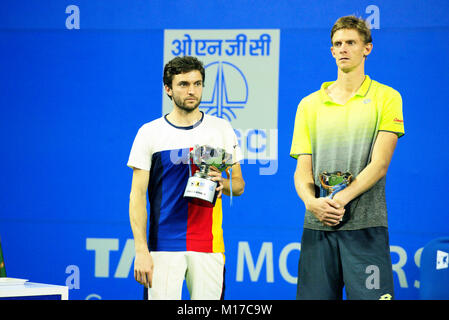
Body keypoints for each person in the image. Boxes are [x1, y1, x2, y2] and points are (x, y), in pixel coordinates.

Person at [290, 16, 405, 300]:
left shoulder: (388, 98)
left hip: (366, 227)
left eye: (351, 43)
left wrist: (339, 200)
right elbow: (303, 170)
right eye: (337, 44)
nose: (343, 49)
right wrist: (312, 203)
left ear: (367, 48)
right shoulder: (309, 105)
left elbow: (379, 164)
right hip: (318, 225)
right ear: (331, 51)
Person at [127, 56, 245, 300]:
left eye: (197, 83)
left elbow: (239, 184)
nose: (192, 91)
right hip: (163, 246)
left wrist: (224, 184)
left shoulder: (221, 128)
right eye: (183, 84)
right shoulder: (150, 132)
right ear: (168, 89)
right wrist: (141, 249)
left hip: (209, 247)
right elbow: (137, 195)